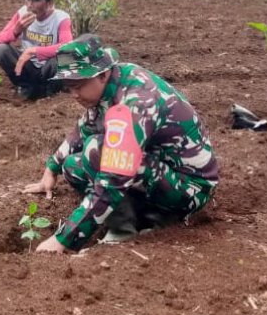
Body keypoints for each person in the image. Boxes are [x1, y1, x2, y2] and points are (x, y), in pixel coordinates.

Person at [23, 34, 219, 253]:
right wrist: (52, 168)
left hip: (189, 187)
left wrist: (64, 239)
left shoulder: (136, 102)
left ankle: (128, 228)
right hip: (156, 168)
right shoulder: (110, 84)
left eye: (78, 85)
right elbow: (85, 127)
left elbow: (114, 177)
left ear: (102, 74)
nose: (74, 95)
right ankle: (141, 213)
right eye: (69, 87)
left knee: (97, 150)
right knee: (72, 166)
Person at [0, 0, 73, 100]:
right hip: (28, 66)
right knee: (1, 50)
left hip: (49, 67)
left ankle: (49, 91)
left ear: (49, 2)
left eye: (36, 0)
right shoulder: (22, 13)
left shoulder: (61, 18)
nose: (29, 4)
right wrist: (16, 30)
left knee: (65, 57)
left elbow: (67, 46)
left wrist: (35, 51)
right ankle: (26, 86)